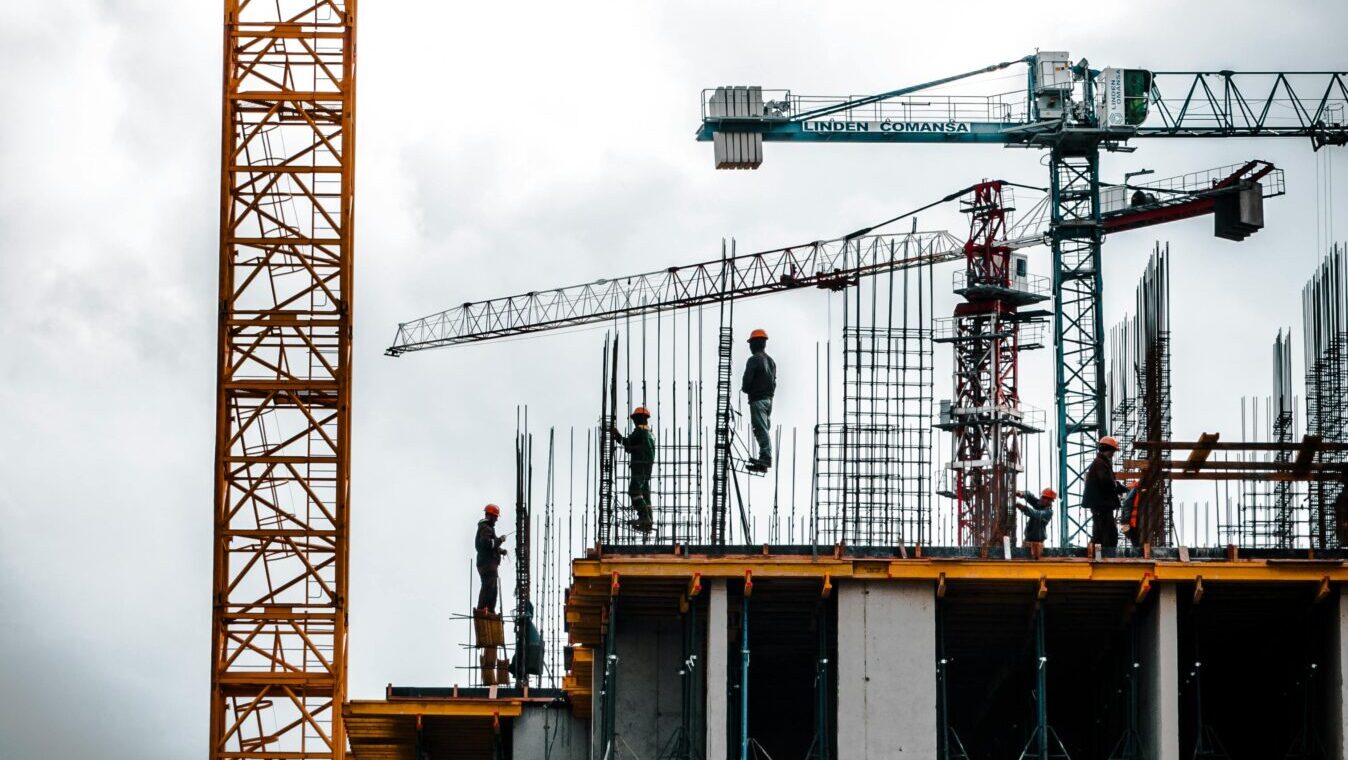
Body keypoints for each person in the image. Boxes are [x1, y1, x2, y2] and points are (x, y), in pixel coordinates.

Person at [611, 406, 656, 533]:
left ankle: (644, 518)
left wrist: (617, 435)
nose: (634, 422)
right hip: (647, 466)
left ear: (641, 419)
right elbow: (639, 447)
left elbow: (627, 442)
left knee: (635, 490)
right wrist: (633, 448)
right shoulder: (650, 435)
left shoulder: (639, 431)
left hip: (639, 464)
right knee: (645, 493)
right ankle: (648, 521)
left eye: (635, 419)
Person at [1083, 436, 1129, 549]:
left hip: (1102, 504)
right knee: (1104, 532)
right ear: (1108, 450)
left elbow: (1108, 482)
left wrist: (1121, 487)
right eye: (1113, 451)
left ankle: (1101, 553)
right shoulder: (1100, 464)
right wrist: (1121, 488)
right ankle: (1099, 554)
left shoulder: (1101, 463)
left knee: (1106, 531)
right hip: (1101, 504)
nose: (1113, 454)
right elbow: (1107, 483)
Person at [741, 328, 777, 472]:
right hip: (769, 400)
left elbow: (746, 384)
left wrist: (747, 389)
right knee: (764, 428)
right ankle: (763, 463)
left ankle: (766, 457)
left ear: (755, 344)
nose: (750, 347)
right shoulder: (771, 361)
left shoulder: (754, 360)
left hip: (758, 399)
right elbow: (774, 382)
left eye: (750, 344)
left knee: (760, 429)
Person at [475, 504, 508, 614]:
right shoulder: (485, 528)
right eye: (495, 517)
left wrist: (500, 550)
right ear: (490, 516)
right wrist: (500, 540)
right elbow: (488, 544)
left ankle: (489, 609)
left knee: (493, 588)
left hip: (488, 563)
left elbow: (491, 547)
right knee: (488, 586)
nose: (496, 519)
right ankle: (482, 608)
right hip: (487, 564)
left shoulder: (487, 528)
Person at [1016, 488, 1056, 560]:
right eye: (1043, 497)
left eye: (1047, 499)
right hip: (1027, 541)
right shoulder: (1039, 505)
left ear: (1051, 501)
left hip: (1038, 544)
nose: (1044, 500)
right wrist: (1021, 493)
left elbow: (1037, 514)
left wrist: (1024, 508)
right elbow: (1030, 496)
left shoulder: (1048, 512)